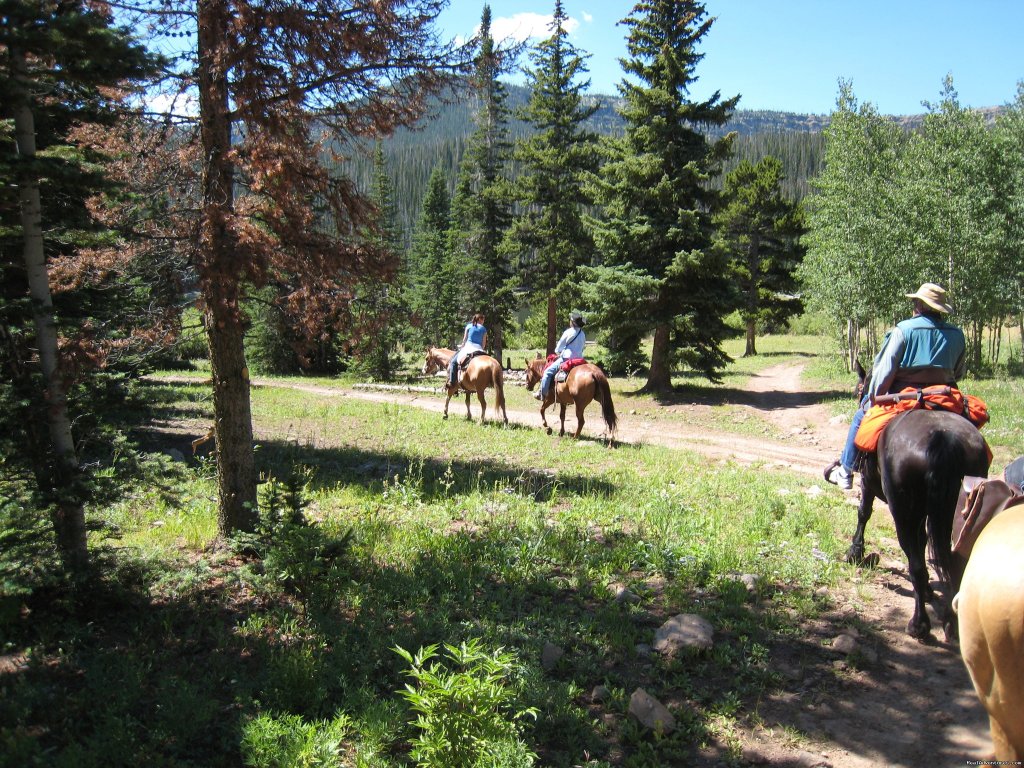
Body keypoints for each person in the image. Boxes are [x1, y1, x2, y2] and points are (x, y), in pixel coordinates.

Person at [825, 282, 966, 490]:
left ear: (918, 304)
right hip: (942, 395)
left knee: (860, 416)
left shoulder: (903, 330)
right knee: (970, 420)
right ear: (940, 309)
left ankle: (846, 470)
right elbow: (959, 372)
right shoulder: (957, 334)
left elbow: (884, 372)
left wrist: (874, 396)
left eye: (915, 302)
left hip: (904, 396)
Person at [535, 311, 587, 401]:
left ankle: (542, 394)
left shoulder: (568, 332)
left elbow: (559, 347)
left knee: (547, 372)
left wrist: (558, 351)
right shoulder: (582, 334)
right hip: (579, 359)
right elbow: (583, 347)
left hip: (566, 359)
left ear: (572, 322)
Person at [448, 313, 487, 388]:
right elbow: (483, 343)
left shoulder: (469, 326)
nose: (483, 322)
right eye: (483, 320)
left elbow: (464, 339)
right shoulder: (483, 329)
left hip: (468, 347)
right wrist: (481, 350)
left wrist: (462, 346)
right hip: (478, 348)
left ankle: (452, 382)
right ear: (479, 319)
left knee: (453, 362)